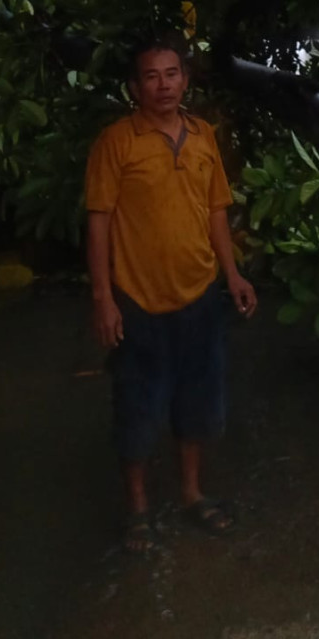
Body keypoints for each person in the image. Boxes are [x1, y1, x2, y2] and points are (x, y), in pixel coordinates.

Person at [85, 30, 257, 551]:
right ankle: (137, 510)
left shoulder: (204, 136)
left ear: (185, 79)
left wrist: (233, 274)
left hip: (200, 295)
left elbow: (216, 212)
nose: (163, 85)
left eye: (172, 73)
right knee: (137, 406)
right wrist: (103, 298)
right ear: (135, 86)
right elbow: (99, 223)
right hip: (137, 300)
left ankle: (191, 493)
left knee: (197, 402)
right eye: (151, 76)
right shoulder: (116, 142)